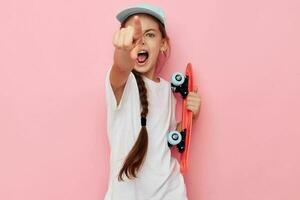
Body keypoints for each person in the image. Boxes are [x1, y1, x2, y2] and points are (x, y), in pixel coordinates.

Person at [104, 3, 201, 200]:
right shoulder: (121, 84)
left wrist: (192, 116)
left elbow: (166, 140)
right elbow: (121, 66)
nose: (140, 43)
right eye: (134, 36)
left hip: (169, 192)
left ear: (163, 43)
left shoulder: (167, 90)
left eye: (149, 35)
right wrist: (123, 51)